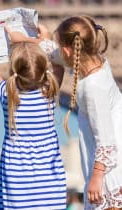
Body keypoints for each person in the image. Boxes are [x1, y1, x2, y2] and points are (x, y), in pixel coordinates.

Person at [15, 15, 122, 210]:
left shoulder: (93, 87)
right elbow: (55, 53)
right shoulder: (97, 61)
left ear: (67, 50)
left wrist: (97, 178)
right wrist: (30, 39)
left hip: (109, 174)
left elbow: (106, 142)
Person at [0, 30, 67, 209]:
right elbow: (60, 65)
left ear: (14, 70)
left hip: (17, 186)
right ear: (43, 70)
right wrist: (44, 39)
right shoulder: (49, 92)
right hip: (50, 186)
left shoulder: (9, 95)